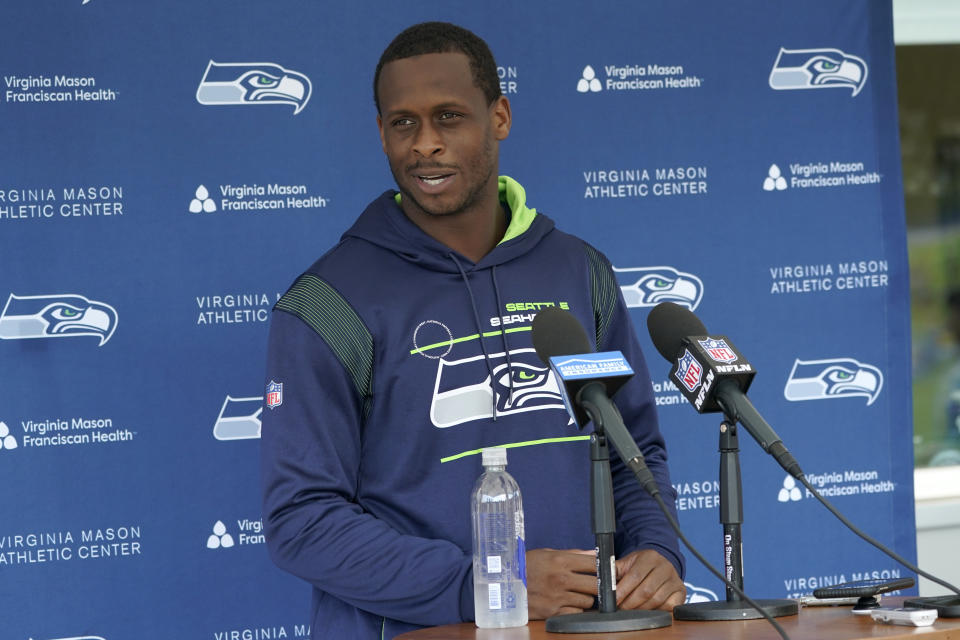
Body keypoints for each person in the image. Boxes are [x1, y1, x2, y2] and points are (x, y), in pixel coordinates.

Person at [260, 21, 685, 639]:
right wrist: (484, 585)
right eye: (403, 123)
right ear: (381, 133)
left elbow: (634, 451)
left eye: (450, 117)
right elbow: (302, 522)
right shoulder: (328, 303)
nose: (425, 144)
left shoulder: (579, 272)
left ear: (500, 118)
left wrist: (656, 554)